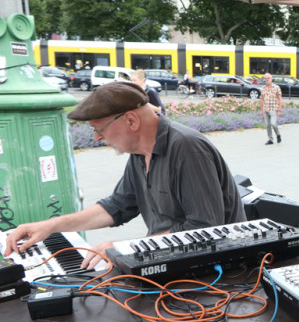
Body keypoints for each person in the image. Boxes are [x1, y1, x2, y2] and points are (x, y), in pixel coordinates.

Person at [2, 81, 246, 269]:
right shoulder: (139, 152)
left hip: (218, 273)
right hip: (168, 261)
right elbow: (117, 206)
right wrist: (50, 226)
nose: (96, 137)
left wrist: (127, 248)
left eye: (99, 129)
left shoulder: (186, 147)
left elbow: (203, 229)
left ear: (131, 120)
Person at [259, 73, 282, 145]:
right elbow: (262, 100)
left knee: (273, 123)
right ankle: (270, 139)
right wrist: (261, 110)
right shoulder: (263, 88)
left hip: (273, 109)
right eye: (265, 78)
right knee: (267, 125)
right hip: (266, 109)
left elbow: (280, 99)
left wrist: (279, 110)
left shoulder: (276, 87)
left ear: (271, 79)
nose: (267, 79)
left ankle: (278, 134)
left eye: (268, 78)